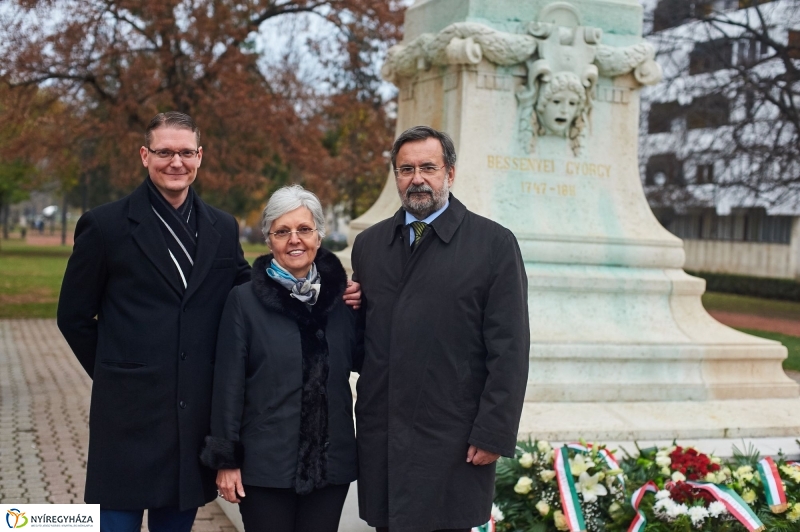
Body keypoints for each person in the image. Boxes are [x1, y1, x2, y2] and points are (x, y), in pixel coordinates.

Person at [56, 112, 360, 532]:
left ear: (199, 157)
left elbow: (249, 286)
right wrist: (115, 373)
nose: (175, 162)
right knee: (116, 521)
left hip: (192, 414)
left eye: (185, 152)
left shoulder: (220, 226)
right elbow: (72, 315)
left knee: (175, 521)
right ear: (145, 156)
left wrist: (328, 289)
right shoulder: (106, 225)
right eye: (164, 152)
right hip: (128, 415)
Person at [351, 125, 530, 532]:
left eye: (428, 167)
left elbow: (510, 349)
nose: (417, 179)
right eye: (406, 169)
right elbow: (362, 342)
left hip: (452, 436)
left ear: (450, 173)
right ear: (395, 176)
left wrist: (493, 432)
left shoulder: (494, 244)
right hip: (384, 431)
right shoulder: (371, 245)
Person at [200, 185, 360, 532]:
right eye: (282, 231)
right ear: (268, 240)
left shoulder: (343, 302)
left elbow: (366, 358)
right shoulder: (243, 301)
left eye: (304, 229)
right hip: (264, 466)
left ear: (319, 235)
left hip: (330, 464)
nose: (294, 240)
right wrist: (226, 460)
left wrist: (370, 304)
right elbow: (228, 385)